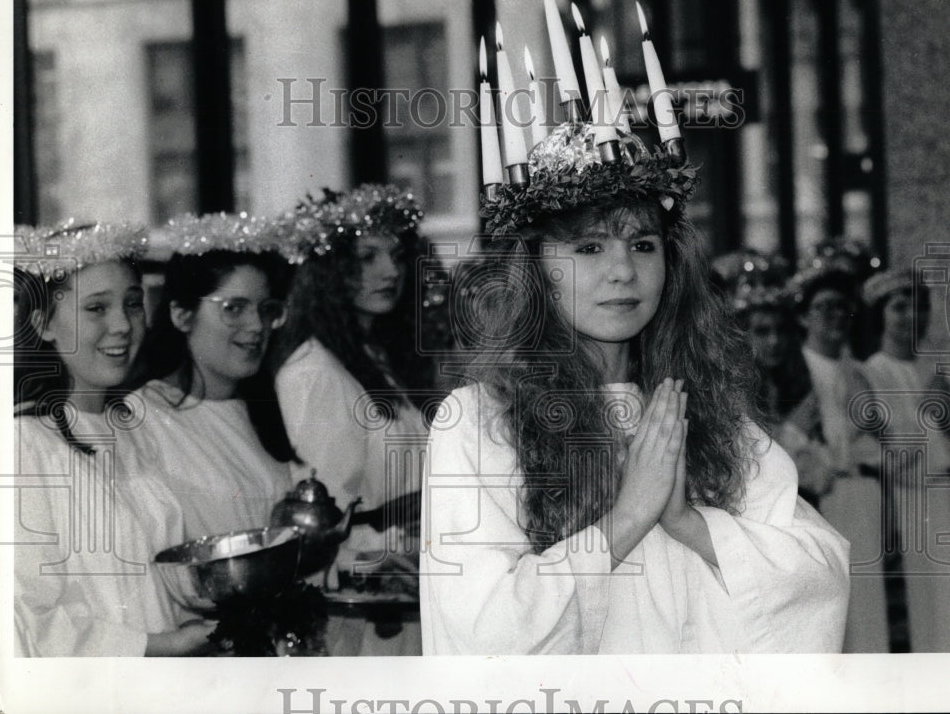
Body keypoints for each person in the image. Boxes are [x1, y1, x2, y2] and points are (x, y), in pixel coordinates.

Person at [420, 115, 850, 653]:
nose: (624, 271)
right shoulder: (481, 421)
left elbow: (820, 568)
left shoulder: (703, 410)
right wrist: (627, 518)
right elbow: (486, 629)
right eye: (590, 248)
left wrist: (690, 523)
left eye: (643, 245)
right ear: (534, 267)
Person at [12, 221, 212, 656]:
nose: (123, 324)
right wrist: (159, 646)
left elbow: (156, 581)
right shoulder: (20, 443)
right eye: (96, 309)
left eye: (133, 304)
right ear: (43, 324)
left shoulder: (132, 431)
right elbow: (26, 617)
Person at [272, 184, 436, 573]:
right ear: (330, 271)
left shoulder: (380, 357)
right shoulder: (314, 373)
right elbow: (318, 521)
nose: (391, 271)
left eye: (397, 256)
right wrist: (381, 550)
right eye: (367, 258)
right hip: (369, 588)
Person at [122, 212, 297, 540]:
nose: (257, 326)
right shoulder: (142, 419)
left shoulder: (257, 408)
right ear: (182, 315)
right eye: (234, 308)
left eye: (265, 309)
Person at [861, 268, 950, 651]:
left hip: (942, 496)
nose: (911, 317)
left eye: (919, 307)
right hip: (902, 501)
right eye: (899, 308)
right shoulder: (870, 373)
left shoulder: (937, 372)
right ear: (880, 315)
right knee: (918, 603)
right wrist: (924, 410)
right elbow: (888, 451)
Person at [789, 258, 888, 652]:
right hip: (816, 497)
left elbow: (880, 440)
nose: (832, 316)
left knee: (868, 604)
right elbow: (785, 441)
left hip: (861, 494)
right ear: (803, 316)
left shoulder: (860, 372)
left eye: (840, 307)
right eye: (821, 307)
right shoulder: (793, 368)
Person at [734, 281, 835, 507]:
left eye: (781, 330)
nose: (774, 341)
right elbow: (753, 466)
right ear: (743, 335)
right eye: (762, 331)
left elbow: (822, 477)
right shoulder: (733, 391)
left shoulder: (794, 384)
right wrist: (793, 431)